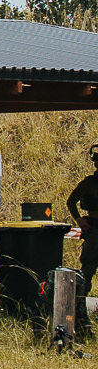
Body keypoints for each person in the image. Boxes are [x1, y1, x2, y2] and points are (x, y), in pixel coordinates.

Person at [67, 145, 98, 342]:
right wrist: (79, 219)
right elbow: (71, 201)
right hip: (94, 230)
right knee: (86, 273)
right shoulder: (89, 184)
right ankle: (79, 318)